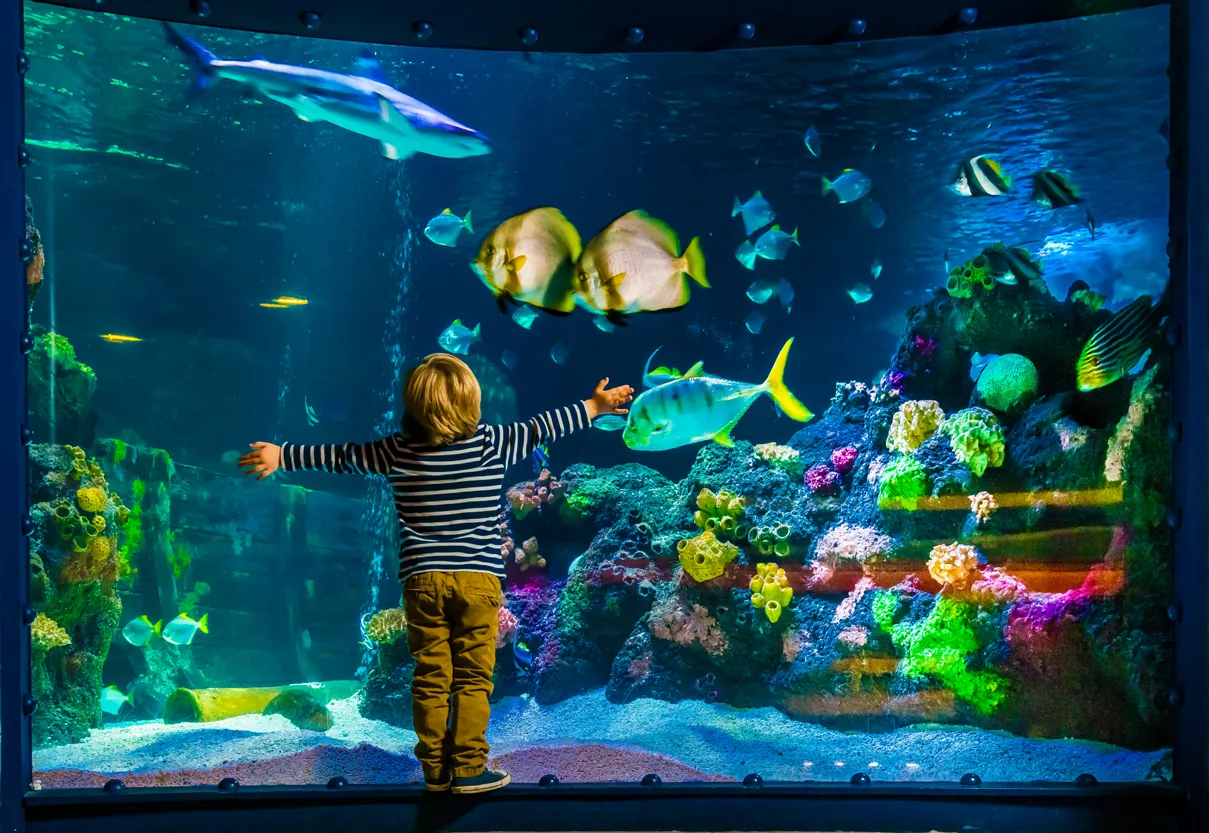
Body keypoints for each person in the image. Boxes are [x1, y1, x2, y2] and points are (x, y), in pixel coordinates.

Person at [238, 353, 632, 794]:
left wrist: (283, 455)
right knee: (473, 674)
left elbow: (342, 456)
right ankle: (467, 767)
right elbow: (545, 425)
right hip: (478, 581)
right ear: (471, 403)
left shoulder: (397, 450)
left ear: (413, 407)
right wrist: (595, 406)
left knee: (430, 673)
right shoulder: (493, 443)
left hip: (422, 581)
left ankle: (433, 768)